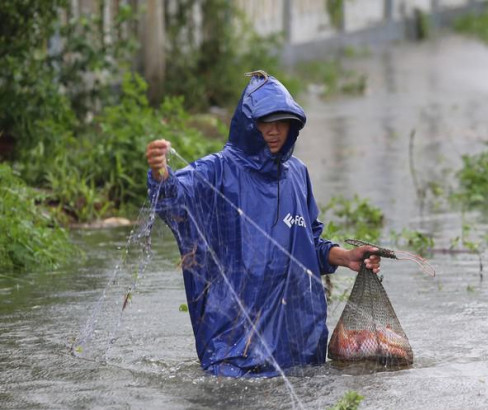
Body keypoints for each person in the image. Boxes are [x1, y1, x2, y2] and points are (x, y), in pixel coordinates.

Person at [145, 71, 380, 377]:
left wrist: (344, 257)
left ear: (292, 125)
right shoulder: (218, 170)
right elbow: (174, 202)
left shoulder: (297, 174)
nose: (273, 131)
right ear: (247, 125)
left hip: (301, 348)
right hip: (237, 352)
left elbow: (308, 243)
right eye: (264, 122)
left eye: (281, 122)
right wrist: (161, 173)